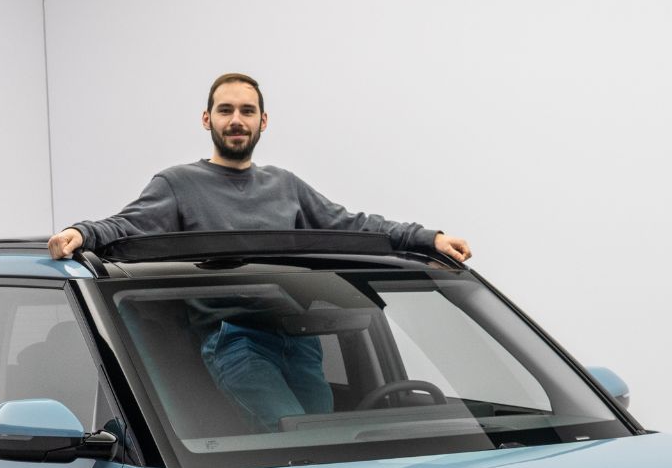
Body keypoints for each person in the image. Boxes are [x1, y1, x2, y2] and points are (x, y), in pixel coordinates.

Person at [47, 72, 472, 430]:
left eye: (247, 111)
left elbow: (352, 226)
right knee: (300, 436)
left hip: (301, 341)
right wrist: (81, 233)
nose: (236, 120)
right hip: (236, 341)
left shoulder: (286, 186)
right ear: (207, 119)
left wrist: (426, 238)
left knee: (325, 438)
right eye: (225, 110)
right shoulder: (178, 184)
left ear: (263, 121)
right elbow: (127, 226)